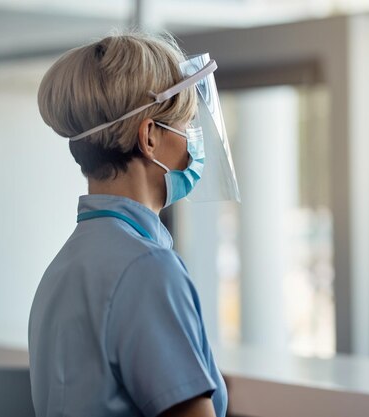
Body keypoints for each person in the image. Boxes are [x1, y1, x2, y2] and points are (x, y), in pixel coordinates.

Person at [28, 31, 239, 417]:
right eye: (186, 125)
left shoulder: (63, 268)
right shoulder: (147, 269)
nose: (193, 141)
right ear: (150, 138)